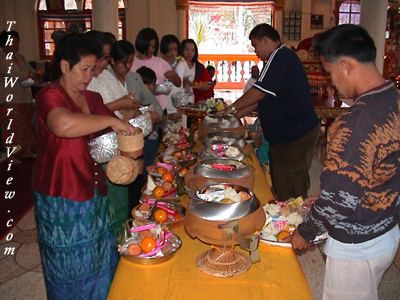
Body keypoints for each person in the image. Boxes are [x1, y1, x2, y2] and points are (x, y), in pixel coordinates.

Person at [290, 24, 400, 300]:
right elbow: (378, 171)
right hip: (386, 229)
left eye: (330, 72)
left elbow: (339, 202)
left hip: (357, 244)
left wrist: (304, 232)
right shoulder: (393, 98)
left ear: (347, 66)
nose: (330, 81)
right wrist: (332, 193)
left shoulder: (354, 124)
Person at [32, 33, 135, 299]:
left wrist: (132, 157)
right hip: (61, 194)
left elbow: (124, 134)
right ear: (65, 66)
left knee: (100, 254)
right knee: (69, 264)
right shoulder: (49, 95)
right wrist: (111, 122)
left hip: (93, 189)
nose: (90, 75)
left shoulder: (92, 98)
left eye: (93, 68)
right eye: (84, 69)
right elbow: (63, 125)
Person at [224, 23, 320, 201]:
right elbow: (262, 98)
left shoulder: (280, 57)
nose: (255, 52)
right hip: (289, 135)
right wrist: (233, 116)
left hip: (295, 136)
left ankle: (293, 224)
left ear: (266, 41)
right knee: (284, 181)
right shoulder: (276, 59)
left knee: (291, 186)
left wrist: (231, 108)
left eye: (255, 46)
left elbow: (258, 91)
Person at [0, 29, 37, 161]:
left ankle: (26, 150)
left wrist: (31, 74)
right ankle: (10, 155)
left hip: (24, 96)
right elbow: (15, 74)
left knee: (26, 125)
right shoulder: (2, 58)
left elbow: (31, 71)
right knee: (10, 128)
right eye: (12, 42)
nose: (15, 45)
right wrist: (28, 74)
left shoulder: (20, 57)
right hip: (8, 98)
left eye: (17, 42)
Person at [130, 28, 181, 111]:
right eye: (148, 46)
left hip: (159, 107)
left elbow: (178, 83)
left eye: (153, 47)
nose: (150, 49)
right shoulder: (131, 62)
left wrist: (174, 76)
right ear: (141, 44)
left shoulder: (160, 62)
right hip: (138, 109)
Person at [160, 34, 190, 114]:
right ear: (164, 49)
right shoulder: (158, 63)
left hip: (179, 106)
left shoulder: (182, 63)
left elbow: (186, 79)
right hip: (163, 107)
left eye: (175, 49)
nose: (173, 52)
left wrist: (187, 86)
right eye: (170, 50)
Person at [178, 38, 214, 103]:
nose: (190, 53)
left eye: (192, 50)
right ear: (181, 50)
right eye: (187, 50)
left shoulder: (199, 67)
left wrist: (204, 87)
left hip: (194, 101)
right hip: (178, 100)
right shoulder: (177, 64)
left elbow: (208, 84)